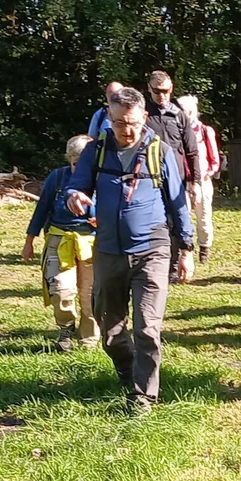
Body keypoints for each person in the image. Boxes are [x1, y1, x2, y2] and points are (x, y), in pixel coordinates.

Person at [64, 86, 195, 413]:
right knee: (109, 328)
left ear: (144, 118)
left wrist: (187, 248)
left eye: (133, 123)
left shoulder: (160, 152)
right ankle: (126, 367)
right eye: (120, 122)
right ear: (109, 117)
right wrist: (74, 196)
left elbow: (179, 206)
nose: (127, 129)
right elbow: (76, 185)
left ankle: (143, 397)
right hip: (108, 249)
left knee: (148, 328)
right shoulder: (96, 151)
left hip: (152, 249)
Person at [23, 134, 98, 352]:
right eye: (75, 160)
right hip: (59, 239)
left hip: (92, 242)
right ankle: (66, 330)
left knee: (90, 294)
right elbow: (41, 210)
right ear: (68, 158)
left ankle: (89, 341)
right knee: (61, 289)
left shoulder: (102, 179)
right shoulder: (56, 178)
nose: (78, 164)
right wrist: (29, 242)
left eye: (83, 160)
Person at [176, 94, 220, 264]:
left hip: (202, 181)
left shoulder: (205, 131)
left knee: (203, 216)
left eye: (183, 111)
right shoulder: (176, 131)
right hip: (182, 181)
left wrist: (207, 173)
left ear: (191, 112)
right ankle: (185, 248)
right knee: (182, 215)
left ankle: (205, 248)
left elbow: (214, 159)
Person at [144, 70, 206, 192]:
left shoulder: (179, 115)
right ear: (149, 88)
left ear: (171, 88)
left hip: (177, 179)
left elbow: (192, 151)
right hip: (149, 179)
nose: (161, 95)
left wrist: (196, 182)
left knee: (180, 211)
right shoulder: (142, 115)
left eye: (165, 91)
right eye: (157, 91)